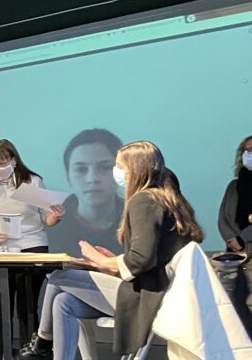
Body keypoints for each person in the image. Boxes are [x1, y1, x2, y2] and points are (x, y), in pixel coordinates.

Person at [19, 142, 204, 358]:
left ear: (134, 169)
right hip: (156, 291)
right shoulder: (164, 200)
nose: (115, 172)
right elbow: (152, 256)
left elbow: (141, 260)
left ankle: (42, 343)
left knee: (59, 277)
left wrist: (101, 260)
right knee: (64, 302)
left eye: (118, 166)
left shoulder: (144, 201)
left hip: (146, 297)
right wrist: (112, 262)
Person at [0, 139, 65, 360]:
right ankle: (0, 355)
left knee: (27, 307)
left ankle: (31, 354)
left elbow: (47, 218)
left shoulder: (32, 182)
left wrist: (55, 216)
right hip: (1, 252)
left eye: (3, 163)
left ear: (14, 161)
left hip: (32, 246)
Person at [49, 129, 124, 255]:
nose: (92, 179)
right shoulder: (50, 227)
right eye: (81, 169)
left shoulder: (140, 221)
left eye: (105, 167)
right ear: (68, 177)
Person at [217, 134, 252, 319]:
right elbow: (223, 217)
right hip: (234, 256)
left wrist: (242, 239)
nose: (249, 154)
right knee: (236, 305)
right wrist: (232, 239)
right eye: (247, 150)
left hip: (247, 248)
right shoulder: (233, 186)